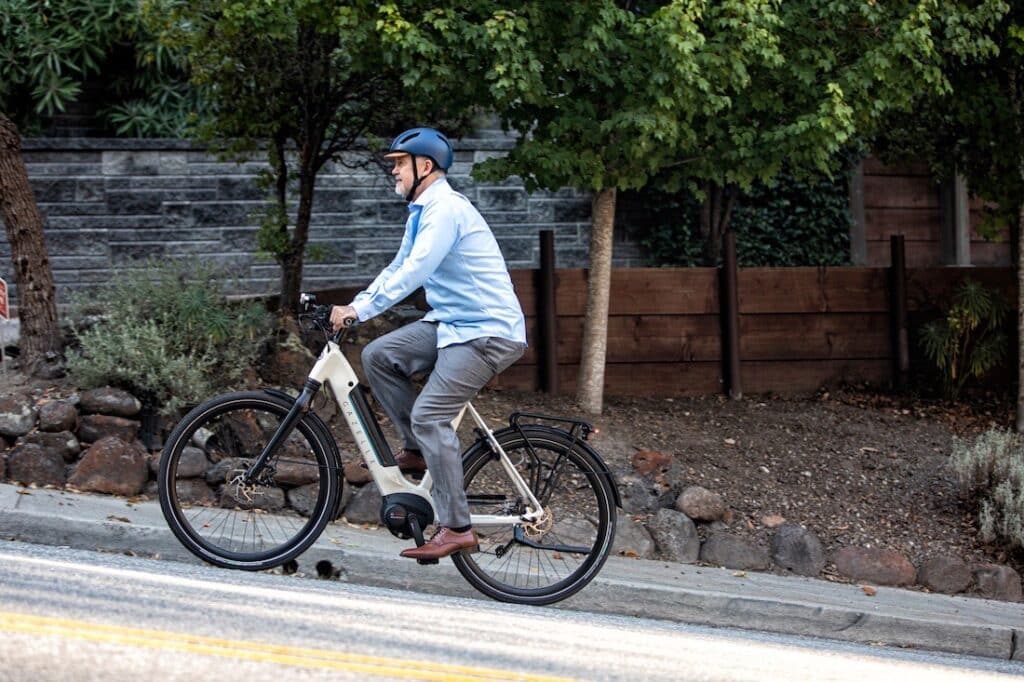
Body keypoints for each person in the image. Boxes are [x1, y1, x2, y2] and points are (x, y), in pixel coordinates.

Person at [330, 127, 527, 561]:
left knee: (430, 413)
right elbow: (398, 265)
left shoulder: (446, 211)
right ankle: (417, 452)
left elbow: (415, 271)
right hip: (452, 323)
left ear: (425, 166)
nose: (394, 172)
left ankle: (457, 527)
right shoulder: (422, 211)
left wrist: (360, 311)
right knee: (379, 355)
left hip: (486, 332)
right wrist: (357, 303)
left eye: (399, 163)